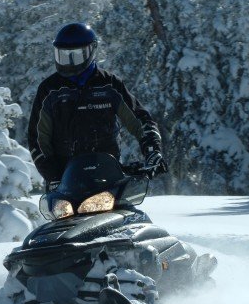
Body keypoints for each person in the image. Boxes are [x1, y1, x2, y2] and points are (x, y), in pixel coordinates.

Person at [28, 22, 167, 189]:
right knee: (62, 213)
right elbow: (37, 137)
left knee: (130, 212)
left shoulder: (109, 85)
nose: (70, 63)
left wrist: (152, 151)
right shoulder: (50, 90)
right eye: (63, 56)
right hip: (65, 180)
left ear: (91, 51)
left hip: (107, 175)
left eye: (76, 55)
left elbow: (139, 119)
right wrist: (52, 174)